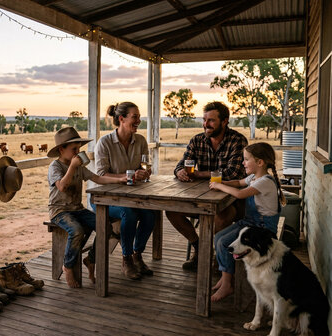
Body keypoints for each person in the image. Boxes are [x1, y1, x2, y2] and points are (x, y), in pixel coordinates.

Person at [167, 101, 248, 271]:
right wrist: (180, 171)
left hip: (230, 200)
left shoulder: (237, 141)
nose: (206, 124)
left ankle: (216, 256)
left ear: (224, 121)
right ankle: (200, 248)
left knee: (220, 216)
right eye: (204, 120)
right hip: (200, 199)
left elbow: (233, 173)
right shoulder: (197, 140)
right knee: (172, 210)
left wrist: (199, 174)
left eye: (211, 120)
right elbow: (180, 165)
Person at [47, 126, 125, 288]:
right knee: (77, 231)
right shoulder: (55, 167)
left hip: (77, 209)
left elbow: (97, 178)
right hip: (59, 210)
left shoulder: (79, 167)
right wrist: (73, 167)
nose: (77, 152)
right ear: (61, 149)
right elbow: (62, 186)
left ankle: (91, 259)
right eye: (74, 149)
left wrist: (119, 180)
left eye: (79, 149)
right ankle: (67, 266)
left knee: (106, 226)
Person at [208, 142, 286, 301]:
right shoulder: (253, 177)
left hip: (262, 228)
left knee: (224, 243)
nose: (243, 162)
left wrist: (218, 185)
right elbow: (238, 183)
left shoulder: (265, 182)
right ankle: (225, 277)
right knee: (218, 238)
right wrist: (221, 183)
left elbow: (240, 193)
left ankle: (227, 285)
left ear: (260, 162)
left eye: (246, 159)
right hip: (250, 223)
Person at [90, 101, 155, 280]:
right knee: (129, 214)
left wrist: (144, 173)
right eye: (135, 117)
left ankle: (137, 254)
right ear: (121, 119)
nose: (139, 121)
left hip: (130, 196)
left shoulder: (140, 140)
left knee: (151, 214)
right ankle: (126, 259)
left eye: (139, 117)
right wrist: (124, 177)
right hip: (104, 199)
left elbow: (145, 168)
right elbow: (101, 174)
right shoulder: (104, 143)